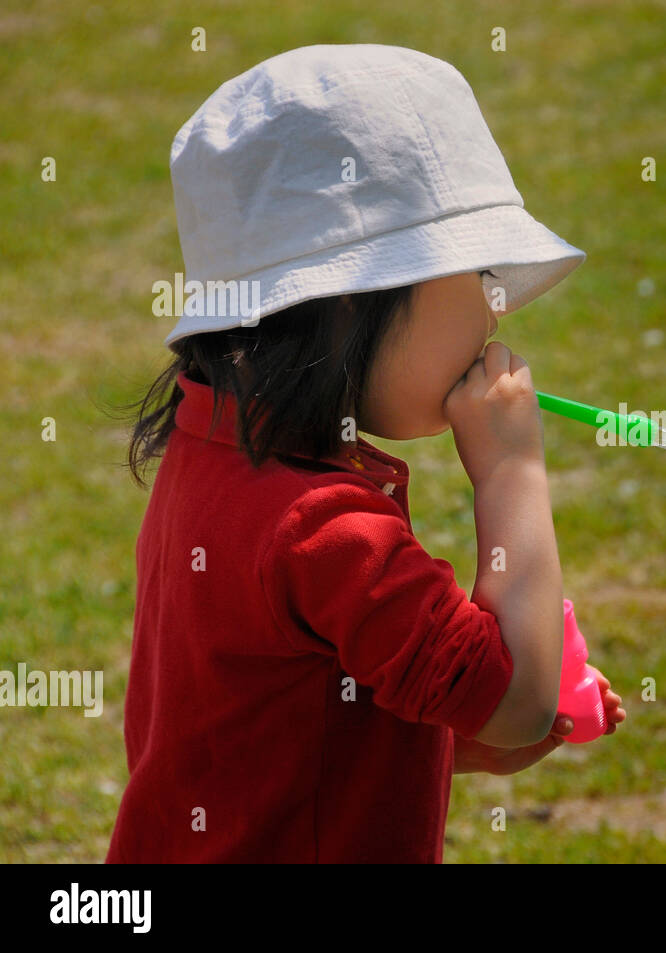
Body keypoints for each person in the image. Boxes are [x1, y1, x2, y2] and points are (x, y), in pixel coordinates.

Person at [106, 44, 624, 863]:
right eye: (480, 273)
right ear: (350, 300)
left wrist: (464, 730)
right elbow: (518, 701)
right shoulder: (328, 530)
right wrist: (512, 470)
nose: (497, 311)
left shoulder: (209, 447)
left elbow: (298, 705)